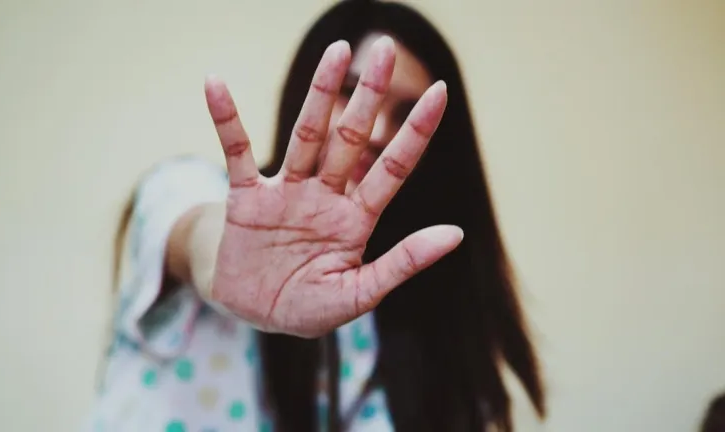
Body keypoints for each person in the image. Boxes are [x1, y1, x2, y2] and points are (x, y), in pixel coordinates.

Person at [88, 1, 546, 431]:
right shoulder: (189, 186)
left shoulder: (410, 305)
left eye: (407, 115)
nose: (378, 131)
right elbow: (192, 231)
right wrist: (224, 256)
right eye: (353, 92)